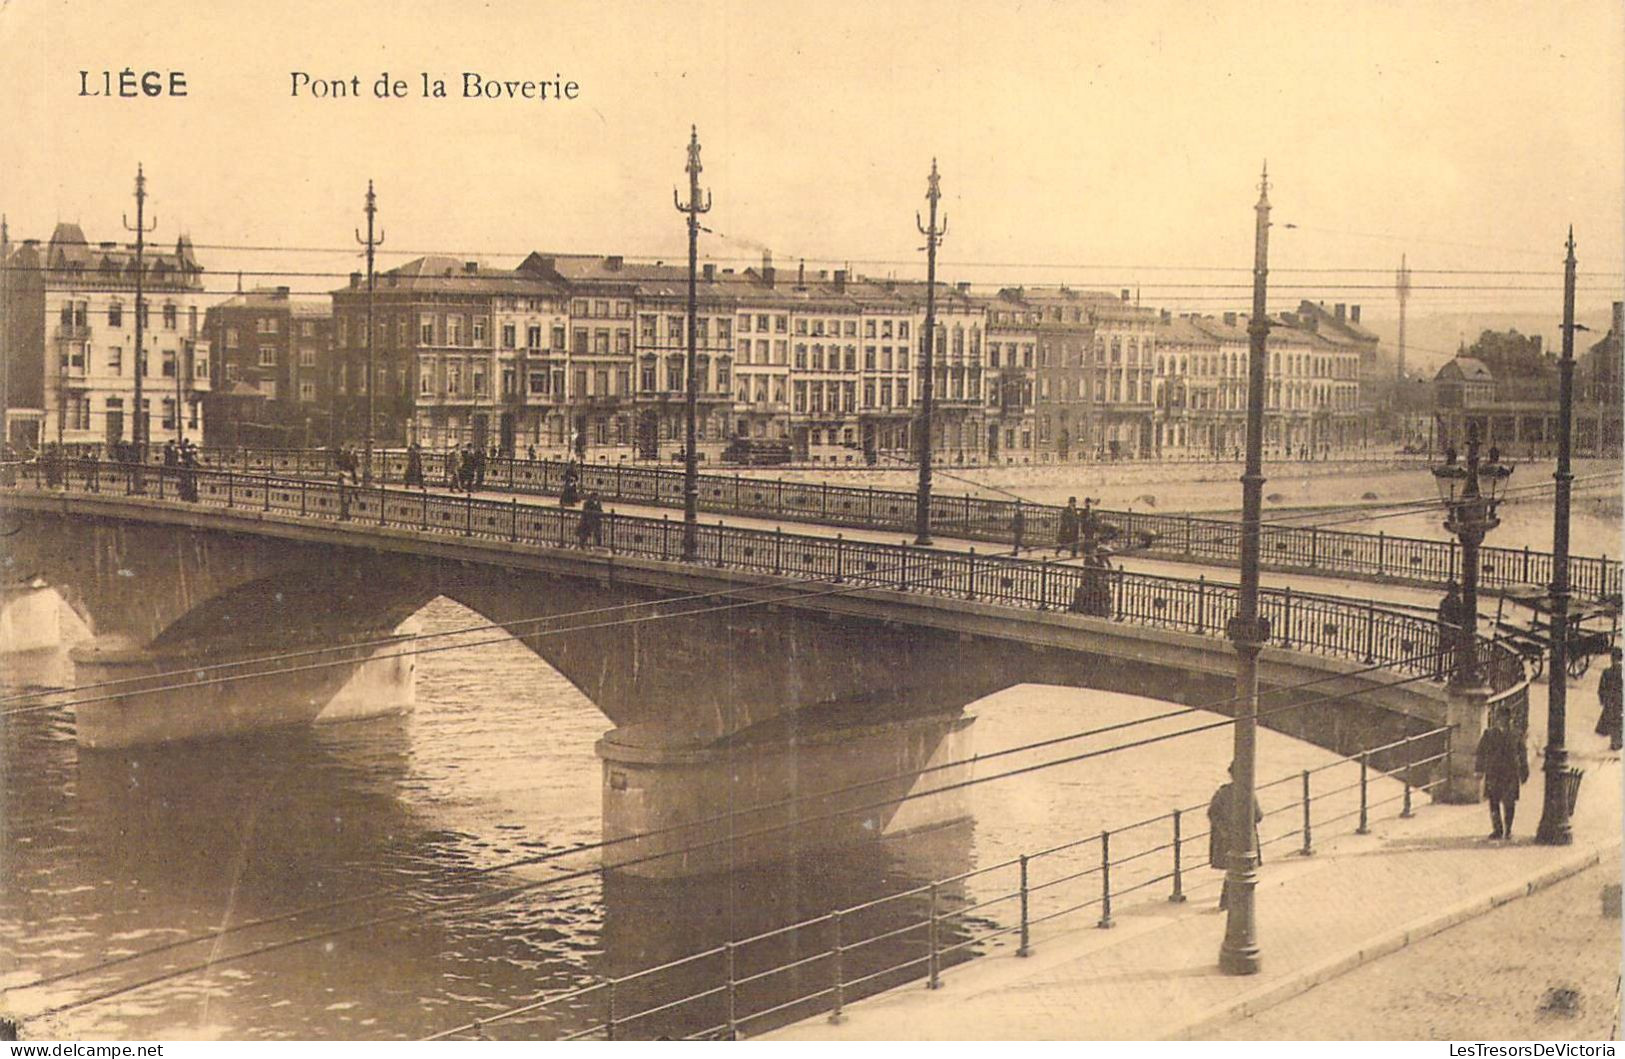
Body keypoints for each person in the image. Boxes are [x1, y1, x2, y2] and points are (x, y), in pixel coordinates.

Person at [1207, 762, 1263, 911]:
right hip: (1245, 837)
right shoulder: (1248, 793)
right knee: (1243, 868)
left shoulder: (1223, 792)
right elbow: (1258, 816)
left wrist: (1223, 830)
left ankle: (1225, 902)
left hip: (1227, 837)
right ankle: (1233, 902)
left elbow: (1212, 813)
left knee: (1232, 868)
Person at [1475, 707, 1528, 839]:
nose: (1503, 721)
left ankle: (1508, 829)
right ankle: (1497, 829)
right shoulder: (1489, 734)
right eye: (1501, 718)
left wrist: (1524, 771)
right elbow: (1481, 752)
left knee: (1509, 802)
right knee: (1494, 801)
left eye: (1506, 718)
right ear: (1497, 719)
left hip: (1511, 773)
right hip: (1494, 772)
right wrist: (1479, 769)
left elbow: (1522, 754)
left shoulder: (1516, 734)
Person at [1436, 580, 1463, 680]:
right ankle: (1449, 672)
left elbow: (1440, 617)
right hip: (1451, 632)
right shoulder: (1455, 602)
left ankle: (1444, 672)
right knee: (1454, 652)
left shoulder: (1445, 601)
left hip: (1449, 632)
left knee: (1444, 652)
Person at [1597, 647, 1623, 752]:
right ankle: (1618, 742)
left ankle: (1615, 743)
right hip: (1620, 701)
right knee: (1619, 722)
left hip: (1611, 702)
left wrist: (1603, 700)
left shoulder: (1607, 672)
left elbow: (1601, 688)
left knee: (1613, 722)